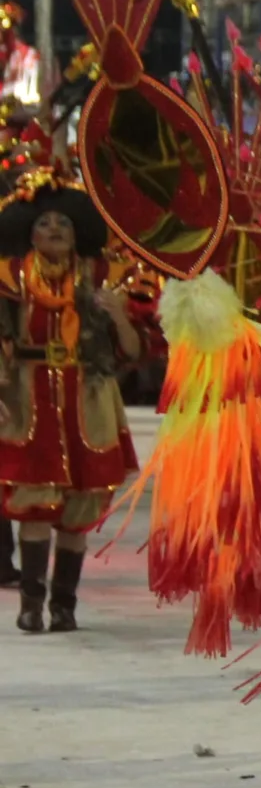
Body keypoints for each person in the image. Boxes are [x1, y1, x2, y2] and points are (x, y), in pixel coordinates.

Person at [0, 176, 139, 632]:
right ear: (30, 232)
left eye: (64, 222)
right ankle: (31, 605)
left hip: (89, 399)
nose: (55, 228)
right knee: (35, 503)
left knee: (78, 511)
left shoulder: (104, 278)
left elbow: (134, 352)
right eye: (45, 222)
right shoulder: (9, 277)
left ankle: (64, 606)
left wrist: (117, 314)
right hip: (28, 397)